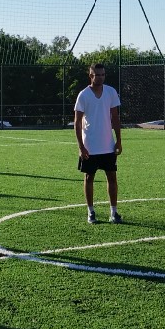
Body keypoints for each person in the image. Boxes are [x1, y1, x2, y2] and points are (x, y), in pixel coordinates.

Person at [74, 63, 123, 224]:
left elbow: (115, 117)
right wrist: (81, 146)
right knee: (89, 178)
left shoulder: (111, 92)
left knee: (112, 178)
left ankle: (114, 212)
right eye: (97, 75)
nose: (100, 77)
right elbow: (77, 122)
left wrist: (118, 141)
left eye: (102, 74)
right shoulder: (83, 95)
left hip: (108, 145)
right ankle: (91, 212)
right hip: (90, 146)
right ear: (91, 76)